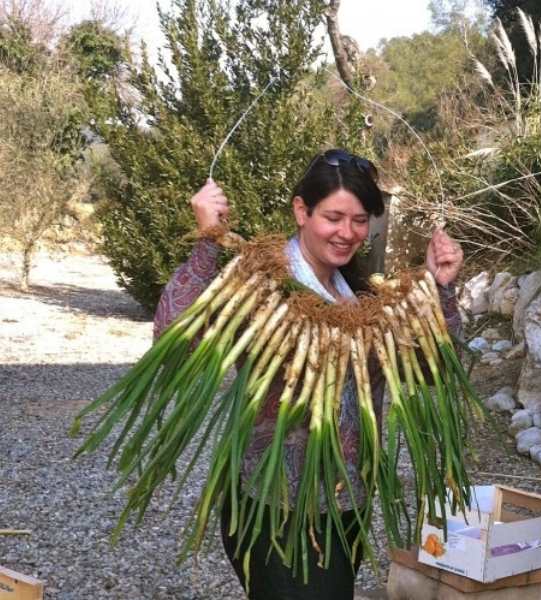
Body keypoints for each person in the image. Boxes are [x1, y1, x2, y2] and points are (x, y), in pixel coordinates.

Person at [153, 149, 464, 600]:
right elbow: (173, 339)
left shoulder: (360, 296)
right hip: (276, 511)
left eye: (360, 221)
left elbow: (433, 371)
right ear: (302, 210)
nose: (348, 233)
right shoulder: (264, 283)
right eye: (334, 217)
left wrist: (442, 288)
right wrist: (207, 240)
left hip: (345, 507)